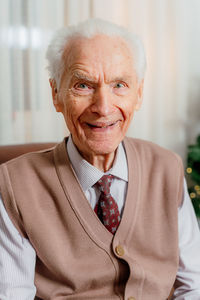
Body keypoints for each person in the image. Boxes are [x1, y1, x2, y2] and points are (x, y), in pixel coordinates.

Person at [0, 18, 200, 300]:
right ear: (56, 94)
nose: (104, 107)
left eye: (119, 84)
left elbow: (193, 284)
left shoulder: (166, 168)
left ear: (139, 93)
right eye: (83, 85)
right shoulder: (13, 185)